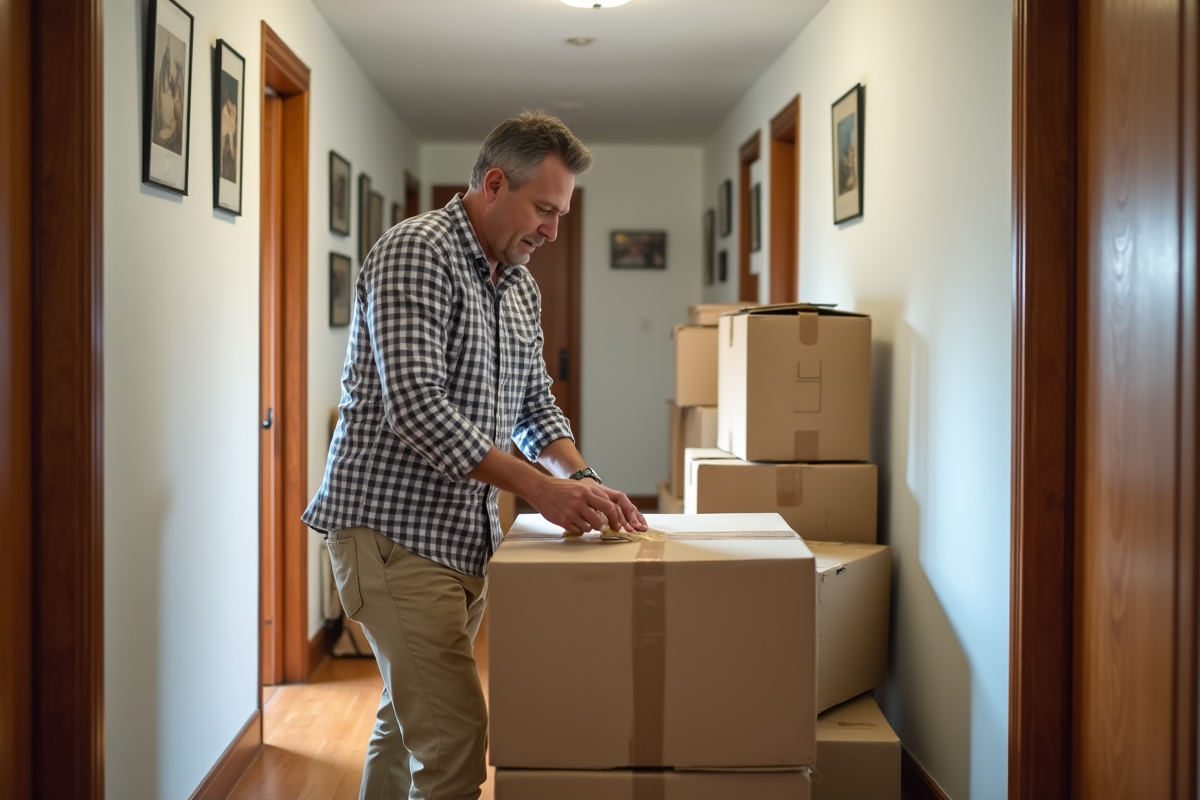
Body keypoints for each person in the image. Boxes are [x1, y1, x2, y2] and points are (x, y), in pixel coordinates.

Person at [302, 110, 647, 800]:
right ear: (495, 184)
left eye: (561, 213)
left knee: (407, 727)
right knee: (455, 743)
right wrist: (544, 495)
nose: (552, 229)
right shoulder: (416, 252)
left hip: (463, 539)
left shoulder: (520, 286)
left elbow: (535, 408)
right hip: (390, 535)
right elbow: (419, 410)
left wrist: (580, 479)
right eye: (544, 209)